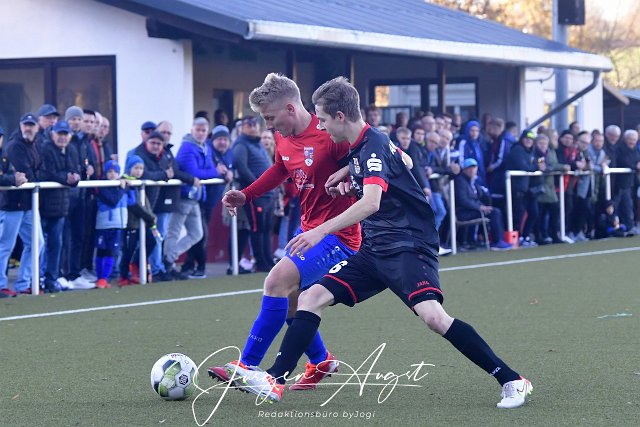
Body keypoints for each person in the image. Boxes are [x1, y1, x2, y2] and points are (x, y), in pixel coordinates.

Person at [230, 77, 532, 409]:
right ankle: (274, 379)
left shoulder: (371, 143)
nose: (321, 125)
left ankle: (512, 379)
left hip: (407, 245)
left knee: (434, 318)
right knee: (310, 297)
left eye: (324, 119)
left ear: (340, 117)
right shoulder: (359, 145)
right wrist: (350, 173)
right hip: (374, 247)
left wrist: (320, 231)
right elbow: (404, 162)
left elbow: (372, 202)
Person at [208, 73, 362, 391]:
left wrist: (349, 180)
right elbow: (281, 168)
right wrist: (246, 194)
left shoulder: (330, 134)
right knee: (291, 300)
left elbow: (364, 163)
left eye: (270, 117)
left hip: (339, 236)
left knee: (276, 281)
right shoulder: (283, 136)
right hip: (307, 230)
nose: (267, 126)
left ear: (290, 109)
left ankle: (247, 366)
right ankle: (321, 361)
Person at [162, 117, 218, 278]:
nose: (200, 133)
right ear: (192, 130)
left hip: (195, 197)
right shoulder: (187, 147)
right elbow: (194, 172)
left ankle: (168, 258)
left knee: (197, 233)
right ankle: (167, 263)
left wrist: (213, 172)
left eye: (203, 130)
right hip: (183, 195)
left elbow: (207, 171)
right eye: (198, 130)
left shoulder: (205, 147)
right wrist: (216, 172)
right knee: (174, 231)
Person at [0, 113, 44, 295]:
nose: (28, 128)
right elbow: (23, 173)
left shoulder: (35, 144)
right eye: (26, 125)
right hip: (12, 204)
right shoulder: (14, 146)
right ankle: (1, 285)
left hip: (28, 203)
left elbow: (37, 170)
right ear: (20, 126)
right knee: (6, 245)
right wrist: (32, 177)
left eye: (31, 125)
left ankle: (23, 283)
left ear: (37, 127)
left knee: (37, 242)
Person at [38, 120, 81, 293]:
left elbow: (75, 170)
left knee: (57, 244)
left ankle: (51, 279)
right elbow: (49, 173)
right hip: (43, 205)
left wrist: (74, 178)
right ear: (52, 134)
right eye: (60, 134)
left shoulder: (72, 150)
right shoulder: (45, 148)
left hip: (62, 205)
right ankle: (37, 278)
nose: (63, 137)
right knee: (40, 244)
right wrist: (67, 178)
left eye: (65, 134)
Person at [455, 158, 512, 250]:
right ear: (464, 169)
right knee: (494, 213)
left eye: (474, 168)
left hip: (471, 210)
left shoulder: (473, 182)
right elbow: (463, 200)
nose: (472, 170)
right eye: (469, 168)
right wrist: (480, 207)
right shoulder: (460, 181)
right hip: (463, 212)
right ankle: (497, 241)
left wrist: (484, 206)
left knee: (494, 210)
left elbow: (477, 197)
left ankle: (498, 240)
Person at [118, 155, 158, 286]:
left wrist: (151, 221)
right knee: (128, 250)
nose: (138, 171)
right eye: (136, 168)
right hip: (130, 223)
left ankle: (136, 264)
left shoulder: (140, 183)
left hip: (142, 222)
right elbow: (133, 205)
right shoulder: (126, 183)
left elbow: (145, 204)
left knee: (151, 242)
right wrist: (150, 218)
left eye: (141, 168)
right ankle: (123, 275)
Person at [0, 125, 28, 297]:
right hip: (5, 206)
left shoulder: (4, 156)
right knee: (4, 245)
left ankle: (9, 284)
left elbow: (10, 173)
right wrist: (13, 179)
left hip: (8, 204)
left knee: (7, 245)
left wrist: (16, 177)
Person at [94, 160, 128, 289]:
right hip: (104, 224)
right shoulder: (102, 186)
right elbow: (113, 200)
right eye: (110, 171)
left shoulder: (121, 185)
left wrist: (128, 187)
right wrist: (123, 188)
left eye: (115, 172)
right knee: (101, 251)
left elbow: (131, 201)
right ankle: (100, 278)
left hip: (118, 224)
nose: (113, 174)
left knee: (111, 251)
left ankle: (104, 279)